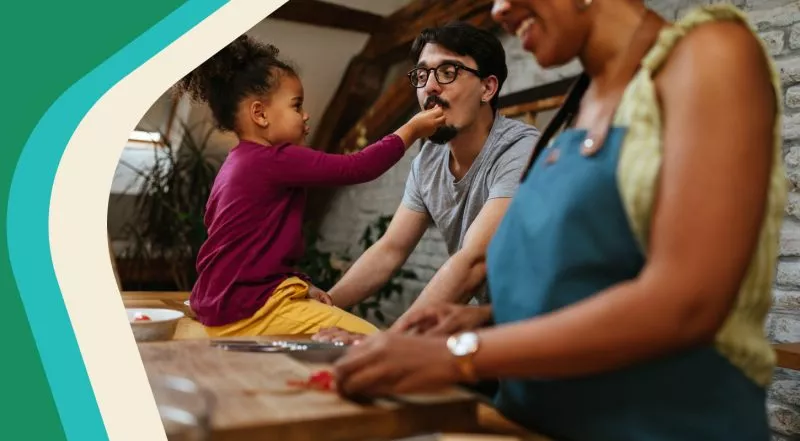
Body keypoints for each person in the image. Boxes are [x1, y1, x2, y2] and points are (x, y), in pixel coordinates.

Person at [332, 2, 787, 440]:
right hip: (535, 419)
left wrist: (458, 355)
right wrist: (485, 320)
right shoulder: (581, 109)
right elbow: (598, 284)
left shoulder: (712, 53)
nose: (499, 11)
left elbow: (687, 302)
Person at [183, 35, 446, 337]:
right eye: (297, 105)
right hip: (251, 311)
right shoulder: (274, 159)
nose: (306, 115)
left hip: (221, 304)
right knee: (373, 340)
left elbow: (249, 253)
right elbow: (358, 166)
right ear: (260, 114)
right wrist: (412, 129)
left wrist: (300, 285)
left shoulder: (234, 164)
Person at [314, 21, 540, 341]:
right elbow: (390, 249)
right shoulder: (427, 161)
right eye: (422, 75)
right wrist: (328, 301)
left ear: (487, 88)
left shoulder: (520, 149)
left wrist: (389, 340)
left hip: (545, 323)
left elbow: (473, 261)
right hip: (491, 324)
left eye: (448, 71)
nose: (430, 87)